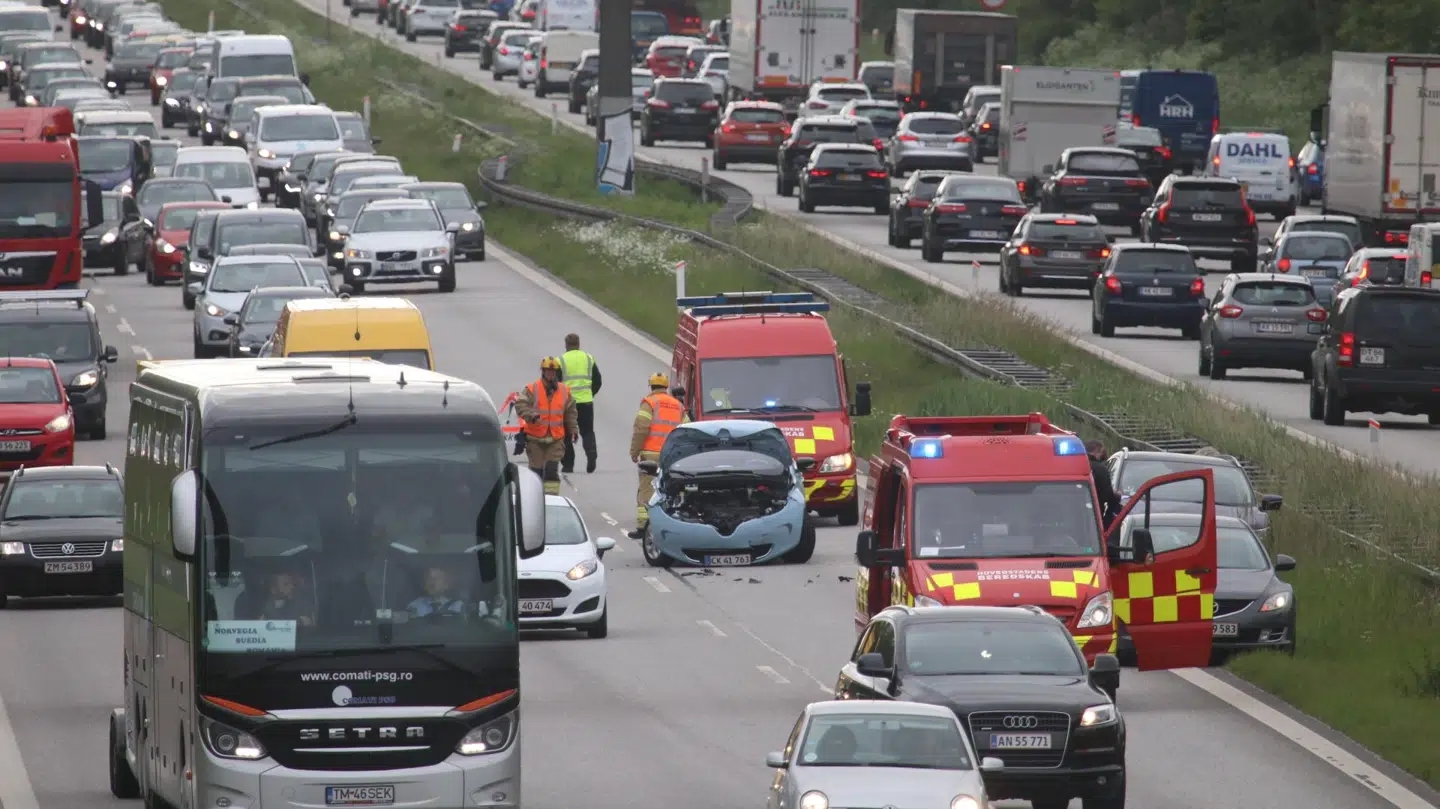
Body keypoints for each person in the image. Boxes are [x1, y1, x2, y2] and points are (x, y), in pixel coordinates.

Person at [627, 373, 688, 540]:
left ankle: (644, 527)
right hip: (670, 456)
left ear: (651, 386)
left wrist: (634, 451)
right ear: (666, 386)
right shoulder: (678, 405)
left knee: (647, 489)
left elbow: (641, 429)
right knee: (670, 489)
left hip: (650, 455)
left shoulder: (649, 403)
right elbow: (687, 429)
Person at [514, 356, 579, 495]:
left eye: (553, 371)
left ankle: (551, 499)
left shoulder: (564, 391)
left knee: (551, 470)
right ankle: (534, 498)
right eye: (548, 371)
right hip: (535, 439)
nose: (551, 373)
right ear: (543, 372)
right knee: (536, 473)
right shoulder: (532, 389)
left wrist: (573, 429)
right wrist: (531, 415)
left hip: (555, 440)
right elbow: (520, 404)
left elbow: (570, 412)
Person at [560, 333, 602, 474]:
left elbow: (556, 383)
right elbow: (598, 380)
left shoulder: (561, 360)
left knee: (565, 434)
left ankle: (568, 464)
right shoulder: (588, 358)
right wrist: (590, 393)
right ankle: (591, 456)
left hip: (567, 404)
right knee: (587, 431)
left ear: (566, 344)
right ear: (578, 344)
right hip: (586, 401)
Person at [243, 569, 315, 626]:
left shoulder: (301, 605)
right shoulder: (262, 611)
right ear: (274, 590)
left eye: (291, 583)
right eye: (286, 584)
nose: (292, 587)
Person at [1087, 440, 1123, 529]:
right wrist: (1116, 496)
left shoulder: (1075, 465)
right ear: (1096, 451)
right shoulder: (1101, 469)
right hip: (1094, 515)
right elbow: (1107, 496)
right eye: (1101, 452)